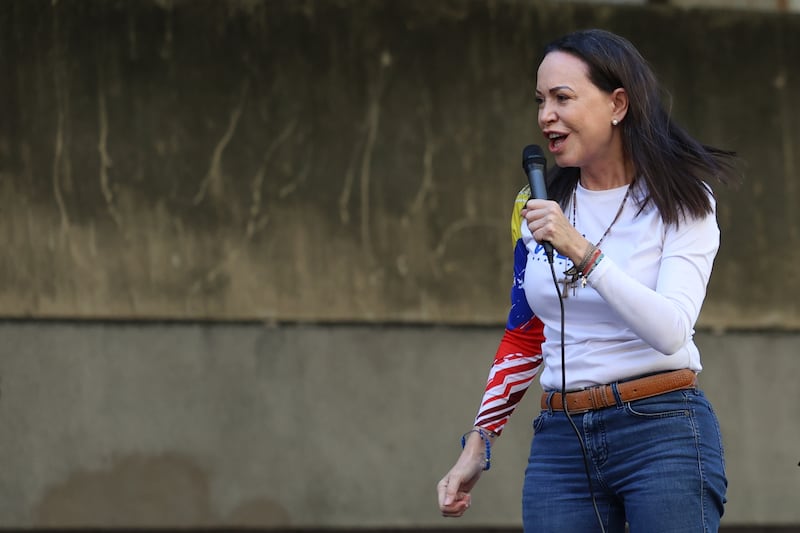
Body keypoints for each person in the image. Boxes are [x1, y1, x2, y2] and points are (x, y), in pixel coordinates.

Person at [436, 28, 739, 532]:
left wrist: (579, 247)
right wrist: (480, 438)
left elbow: (670, 330)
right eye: (540, 101)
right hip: (561, 439)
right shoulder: (533, 207)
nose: (545, 116)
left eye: (562, 98)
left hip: (661, 429)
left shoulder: (683, 200)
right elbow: (526, 332)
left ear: (617, 104)